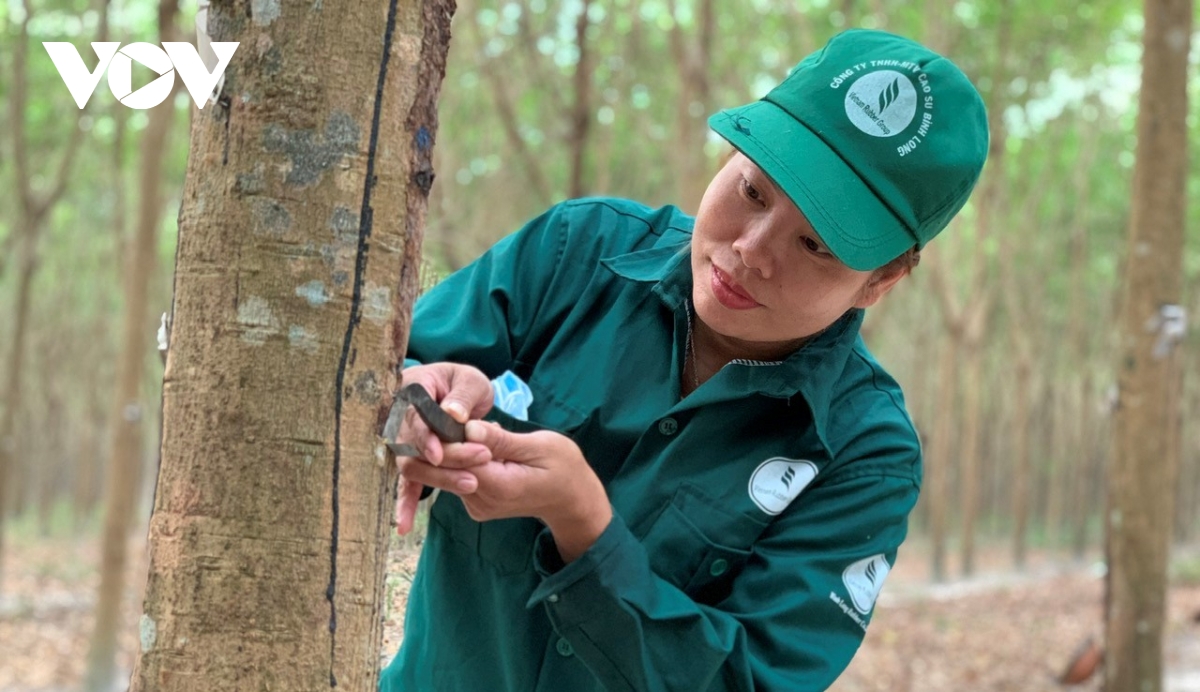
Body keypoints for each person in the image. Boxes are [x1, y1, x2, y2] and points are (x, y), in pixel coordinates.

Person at [380, 28, 988, 692]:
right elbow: (386, 380)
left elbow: (753, 679)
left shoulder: (863, 455)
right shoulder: (576, 253)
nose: (752, 249)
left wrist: (586, 528)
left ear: (882, 280)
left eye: (814, 244)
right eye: (753, 192)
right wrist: (416, 402)